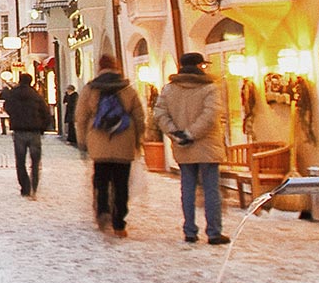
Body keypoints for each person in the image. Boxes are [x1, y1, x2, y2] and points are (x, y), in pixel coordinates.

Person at [154, 52, 230, 245]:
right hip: (206, 146)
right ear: (199, 66)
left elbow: (160, 114)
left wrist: (176, 133)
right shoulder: (209, 88)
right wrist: (191, 133)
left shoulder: (169, 89)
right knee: (211, 189)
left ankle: (189, 231)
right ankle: (213, 232)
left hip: (183, 147)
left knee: (187, 188)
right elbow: (211, 115)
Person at [74, 55, 145, 237]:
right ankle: (119, 223)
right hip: (124, 141)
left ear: (100, 67)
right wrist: (138, 140)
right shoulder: (128, 89)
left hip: (99, 142)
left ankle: (102, 212)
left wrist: (82, 141)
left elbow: (81, 117)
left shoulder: (90, 89)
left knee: (101, 180)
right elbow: (139, 117)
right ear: (116, 67)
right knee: (121, 184)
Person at [1, 73, 53, 197]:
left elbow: (7, 107)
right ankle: (34, 186)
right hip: (34, 131)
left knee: (20, 161)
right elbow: (45, 112)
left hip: (19, 130)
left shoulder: (13, 94)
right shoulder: (35, 95)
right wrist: (43, 128)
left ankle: (25, 187)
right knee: (35, 161)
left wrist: (14, 118)